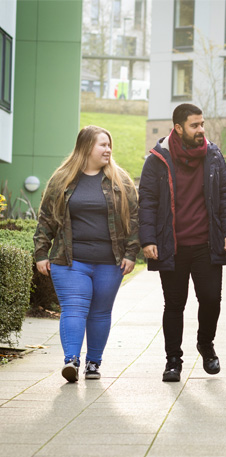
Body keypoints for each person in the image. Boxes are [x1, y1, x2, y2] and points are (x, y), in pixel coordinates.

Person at [138, 103, 226, 382]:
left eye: (202, 124)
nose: (201, 130)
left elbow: (225, 196)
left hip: (207, 244)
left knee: (211, 299)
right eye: (195, 125)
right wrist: (147, 239)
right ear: (179, 128)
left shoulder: (214, 155)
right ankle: (173, 361)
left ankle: (205, 345)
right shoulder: (157, 160)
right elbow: (146, 203)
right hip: (172, 246)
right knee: (174, 304)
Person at [34, 125, 140, 383]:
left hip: (110, 262)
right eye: (102, 145)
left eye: (109, 145)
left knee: (101, 313)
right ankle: (71, 360)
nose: (108, 149)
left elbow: (135, 218)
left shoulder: (120, 180)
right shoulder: (62, 179)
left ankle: (94, 363)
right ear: (86, 147)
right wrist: (40, 253)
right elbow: (46, 218)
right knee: (73, 308)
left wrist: (130, 253)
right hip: (70, 260)